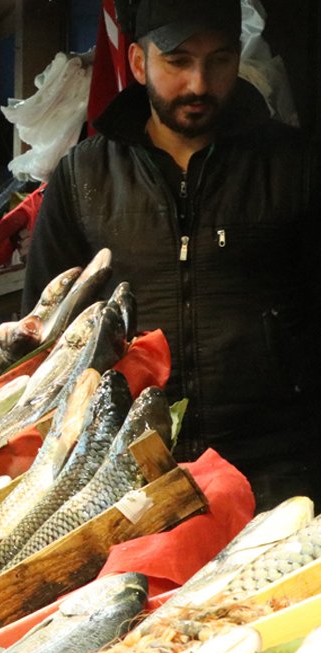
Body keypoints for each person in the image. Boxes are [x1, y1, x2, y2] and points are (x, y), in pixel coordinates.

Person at [21, 0, 320, 511]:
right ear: (139, 63)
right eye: (178, 61)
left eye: (219, 60)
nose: (200, 84)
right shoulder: (83, 176)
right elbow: (44, 335)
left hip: (275, 466)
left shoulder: (293, 166)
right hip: (125, 472)